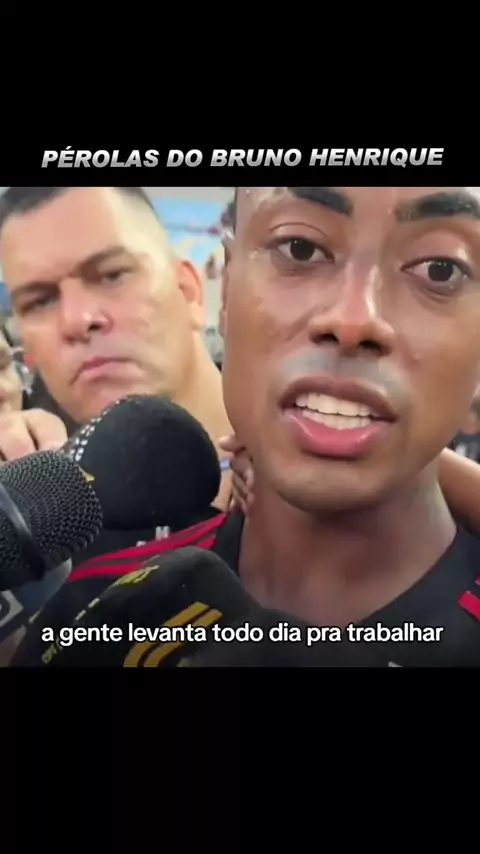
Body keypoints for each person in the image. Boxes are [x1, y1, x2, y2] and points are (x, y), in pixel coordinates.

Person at [11, 186, 480, 667]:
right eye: (300, 248)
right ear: (228, 286)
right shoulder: (93, 609)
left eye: (440, 269)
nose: (353, 319)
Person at [0, 186, 231, 504]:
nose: (77, 319)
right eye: (40, 301)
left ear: (188, 290)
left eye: (111, 275)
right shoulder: (44, 508)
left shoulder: (293, 469)